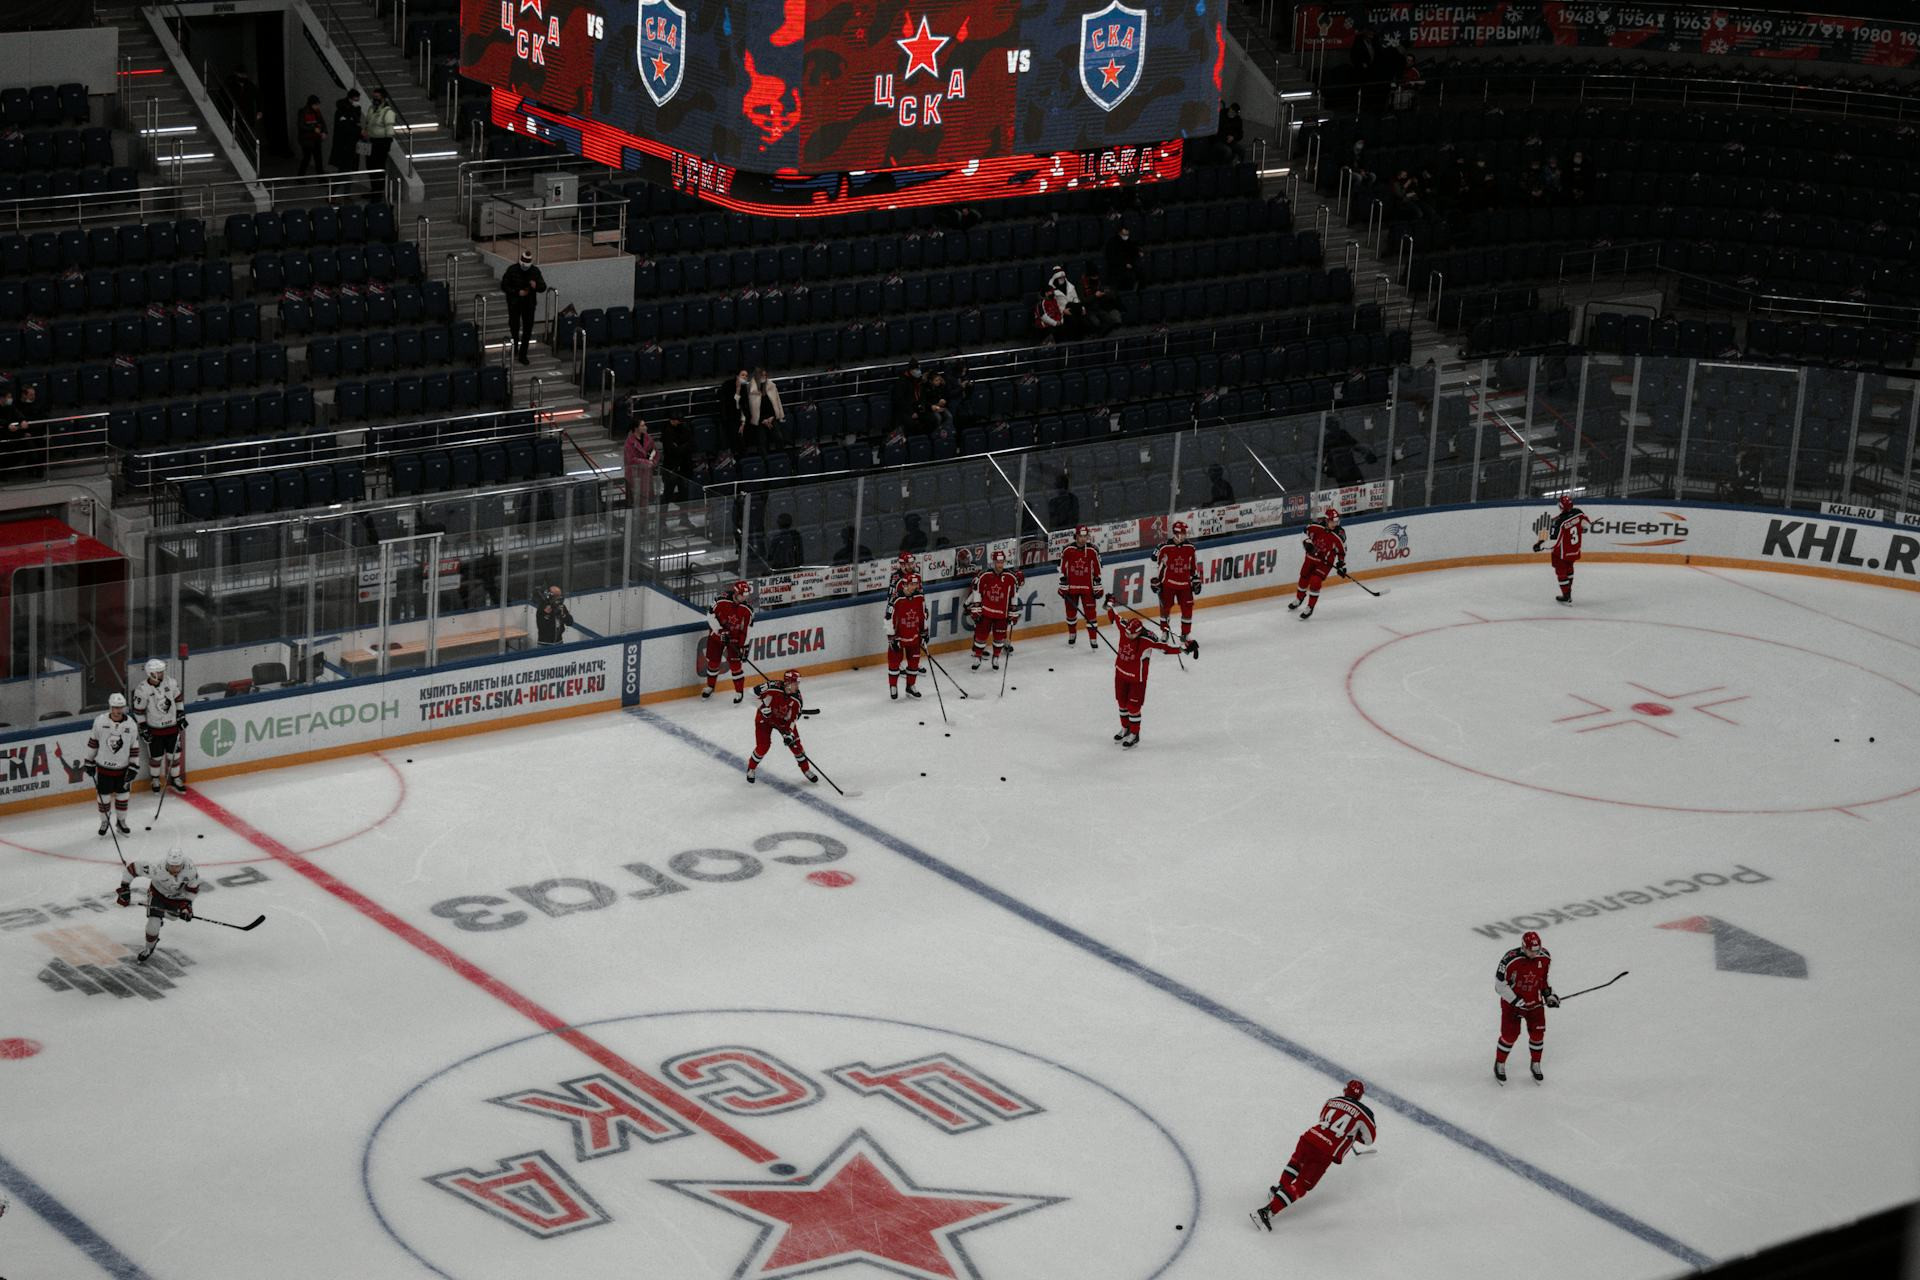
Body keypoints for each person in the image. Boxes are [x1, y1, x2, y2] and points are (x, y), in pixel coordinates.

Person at [1250, 1080, 1377, 1229]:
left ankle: (1279, 1189)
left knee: (1296, 1164)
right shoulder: (1365, 1113)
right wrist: (1353, 1134)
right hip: (1324, 1151)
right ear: (1361, 1096)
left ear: (1345, 1090)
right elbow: (1369, 1140)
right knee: (1302, 1185)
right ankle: (1266, 1212)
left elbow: (1322, 1119)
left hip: (1309, 1137)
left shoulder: (1332, 1101)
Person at [1104, 605, 1193, 747]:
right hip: (1120, 674)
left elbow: (1165, 648)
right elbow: (1115, 616)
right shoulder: (1125, 628)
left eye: (1131, 634)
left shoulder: (1148, 639)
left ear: (1139, 633)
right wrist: (1109, 605)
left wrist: (1182, 649)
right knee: (1121, 703)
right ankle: (1125, 728)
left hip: (1137, 679)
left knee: (1133, 707)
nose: (1128, 635)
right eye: (1127, 633)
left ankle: (1134, 734)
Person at [115, 847, 201, 965]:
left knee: (174, 917)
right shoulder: (156, 868)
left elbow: (192, 890)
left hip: (177, 898)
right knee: (153, 925)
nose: (174, 869)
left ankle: (162, 914)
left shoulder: (190, 871)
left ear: (182, 864)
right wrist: (124, 888)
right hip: (157, 894)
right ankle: (149, 948)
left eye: (177, 866)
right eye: (171, 866)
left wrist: (187, 906)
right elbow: (132, 869)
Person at [1495, 930, 1557, 1083]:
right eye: (1531, 950)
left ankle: (1536, 1064)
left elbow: (1543, 979)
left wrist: (1548, 995)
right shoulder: (1509, 959)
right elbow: (1499, 985)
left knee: (1538, 1035)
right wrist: (1515, 1000)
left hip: (1534, 1003)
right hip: (1512, 1005)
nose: (1535, 953)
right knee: (1509, 1036)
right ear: (1523, 947)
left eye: (1537, 950)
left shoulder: (1545, 957)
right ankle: (1500, 1063)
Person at [84, 692, 140, 837]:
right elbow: (93, 742)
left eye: (120, 707)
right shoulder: (100, 721)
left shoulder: (131, 724)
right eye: (115, 707)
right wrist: (89, 760)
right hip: (104, 769)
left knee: (123, 796)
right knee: (104, 798)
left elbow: (134, 747)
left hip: (123, 769)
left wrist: (134, 766)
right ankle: (105, 821)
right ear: (110, 707)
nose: (118, 710)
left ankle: (121, 822)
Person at [746, 669, 816, 784]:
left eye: (798, 683)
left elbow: (793, 720)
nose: (797, 686)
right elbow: (750, 693)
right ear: (787, 683)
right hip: (764, 719)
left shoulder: (797, 699)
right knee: (763, 746)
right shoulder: (772, 686)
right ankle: (751, 768)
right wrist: (762, 707)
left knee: (796, 746)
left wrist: (789, 733)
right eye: (795, 683)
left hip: (782, 722)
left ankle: (806, 770)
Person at [130, 657, 187, 795]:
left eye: (162, 671)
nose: (162, 674)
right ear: (151, 673)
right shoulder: (142, 689)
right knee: (156, 757)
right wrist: (143, 727)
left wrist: (180, 714)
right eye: (159, 672)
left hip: (172, 727)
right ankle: (155, 779)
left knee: (175, 755)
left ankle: (175, 778)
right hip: (155, 729)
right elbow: (138, 711)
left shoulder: (170, 682)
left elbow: (178, 699)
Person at [966, 549, 1024, 671]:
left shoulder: (1010, 577)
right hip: (986, 612)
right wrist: (976, 608)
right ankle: (977, 657)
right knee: (981, 636)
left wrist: (1013, 612)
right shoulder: (984, 575)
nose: (1000, 565)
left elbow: (1014, 595)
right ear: (993, 562)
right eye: (998, 562)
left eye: (1002, 562)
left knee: (999, 638)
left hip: (1002, 614)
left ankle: (996, 657)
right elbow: (977, 592)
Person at [701, 580, 755, 702]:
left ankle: (739, 692)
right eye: (742, 595)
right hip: (717, 635)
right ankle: (710, 687)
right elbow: (710, 616)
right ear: (736, 593)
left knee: (736, 666)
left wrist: (744, 646)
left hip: (734, 639)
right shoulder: (720, 600)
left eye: (747, 595)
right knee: (713, 663)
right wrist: (719, 631)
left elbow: (747, 630)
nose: (745, 598)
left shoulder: (748, 609)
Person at [1533, 494, 1592, 606]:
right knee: (1569, 568)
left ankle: (1566, 595)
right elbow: (1586, 526)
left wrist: (1540, 546)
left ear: (1561, 506)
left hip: (1561, 553)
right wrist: (1580, 528)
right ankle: (1569, 591)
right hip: (1574, 550)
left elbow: (1553, 542)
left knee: (1561, 572)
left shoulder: (1559, 522)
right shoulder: (1578, 512)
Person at [1290, 507, 1346, 620]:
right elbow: (1304, 532)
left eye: (1337, 521)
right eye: (1333, 521)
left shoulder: (1339, 533)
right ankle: (1299, 599)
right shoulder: (1316, 526)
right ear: (1326, 520)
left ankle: (1310, 607)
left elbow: (1342, 550)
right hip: (1310, 558)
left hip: (1324, 563)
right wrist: (1307, 542)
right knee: (1304, 577)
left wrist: (1341, 564)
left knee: (1315, 581)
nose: (1335, 524)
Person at [1150, 520, 1202, 642]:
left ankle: (1186, 633)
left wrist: (1195, 578)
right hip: (1168, 584)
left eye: (1185, 533)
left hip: (1185, 585)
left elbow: (1193, 566)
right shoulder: (1163, 547)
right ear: (1176, 533)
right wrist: (1154, 579)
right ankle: (1165, 631)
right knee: (1165, 608)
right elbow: (1153, 562)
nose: (1184, 536)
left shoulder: (1190, 547)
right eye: (1182, 533)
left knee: (1187, 609)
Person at [1056, 524, 1104, 650]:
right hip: (1071, 588)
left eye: (1085, 536)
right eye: (1080, 536)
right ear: (1076, 536)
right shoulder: (1067, 549)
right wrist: (1062, 583)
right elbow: (1062, 568)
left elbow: (1098, 569)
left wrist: (1098, 584)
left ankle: (1093, 639)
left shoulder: (1093, 550)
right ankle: (1072, 634)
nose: (1083, 539)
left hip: (1088, 588)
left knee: (1091, 614)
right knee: (1070, 613)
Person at [885, 571, 926, 700]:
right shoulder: (895, 599)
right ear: (904, 585)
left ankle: (910, 686)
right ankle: (893, 686)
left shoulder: (919, 597)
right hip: (898, 637)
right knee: (894, 663)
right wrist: (891, 637)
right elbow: (888, 619)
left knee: (914, 663)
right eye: (912, 584)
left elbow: (922, 615)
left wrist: (924, 632)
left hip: (914, 636)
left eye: (916, 584)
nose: (914, 587)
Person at [501, 250, 547, 365]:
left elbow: (543, 287)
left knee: (528, 330)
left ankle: (523, 354)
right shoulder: (512, 270)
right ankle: (515, 346)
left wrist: (536, 286)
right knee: (514, 327)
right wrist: (517, 292)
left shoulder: (535, 271)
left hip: (529, 304)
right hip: (514, 303)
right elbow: (504, 285)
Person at [363, 88, 398, 195]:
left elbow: (389, 130)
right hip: (370, 141)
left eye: (377, 97)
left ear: (383, 98)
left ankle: (378, 192)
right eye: (374, 97)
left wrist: (386, 144)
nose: (375, 99)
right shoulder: (371, 108)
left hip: (381, 142)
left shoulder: (388, 112)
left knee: (378, 167)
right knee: (370, 166)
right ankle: (374, 189)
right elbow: (368, 122)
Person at [745, 367, 787, 450]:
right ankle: (764, 457)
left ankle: (780, 454)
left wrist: (772, 417)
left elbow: (777, 403)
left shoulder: (771, 386)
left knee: (779, 437)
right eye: (762, 375)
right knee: (762, 441)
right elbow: (750, 409)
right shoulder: (750, 389)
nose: (764, 377)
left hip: (771, 417)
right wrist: (762, 420)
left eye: (765, 375)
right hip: (759, 419)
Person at [623, 418, 660, 507]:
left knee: (645, 500)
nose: (645, 427)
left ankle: (644, 514)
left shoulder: (648, 438)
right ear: (636, 428)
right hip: (635, 474)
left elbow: (655, 452)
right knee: (636, 502)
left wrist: (653, 462)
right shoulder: (629, 442)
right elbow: (631, 459)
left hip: (646, 473)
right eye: (642, 426)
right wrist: (646, 462)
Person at [330, 88, 363, 174]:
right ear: (350, 99)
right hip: (345, 141)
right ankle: (340, 181)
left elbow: (356, 122)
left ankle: (341, 180)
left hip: (350, 141)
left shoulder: (354, 109)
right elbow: (349, 125)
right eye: (356, 100)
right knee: (345, 165)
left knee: (345, 166)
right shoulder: (343, 110)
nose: (357, 102)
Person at [296, 94, 327, 175]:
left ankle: (321, 178)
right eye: (316, 105)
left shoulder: (317, 112)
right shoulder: (303, 112)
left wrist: (324, 132)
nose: (318, 106)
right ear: (311, 104)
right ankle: (300, 177)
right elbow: (301, 125)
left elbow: (322, 122)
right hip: (307, 140)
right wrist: (313, 129)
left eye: (318, 105)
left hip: (316, 139)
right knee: (306, 159)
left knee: (318, 160)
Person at [1104, 224, 1140, 290]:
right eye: (1124, 234)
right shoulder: (1112, 243)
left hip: (1126, 268)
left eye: (1127, 234)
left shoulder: (1128, 241)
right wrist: (1125, 264)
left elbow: (1133, 251)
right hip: (1116, 269)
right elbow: (1112, 258)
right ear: (1119, 233)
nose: (1126, 236)